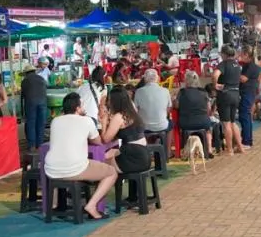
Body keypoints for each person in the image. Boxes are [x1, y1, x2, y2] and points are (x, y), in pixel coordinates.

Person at [44, 92, 116, 220]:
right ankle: (92, 205)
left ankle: (54, 205)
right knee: (111, 173)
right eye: (82, 105)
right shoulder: (86, 121)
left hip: (51, 169)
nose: (84, 108)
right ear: (77, 108)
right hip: (75, 168)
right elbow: (98, 141)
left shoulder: (55, 121)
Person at [212, 45, 244, 155]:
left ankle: (230, 150)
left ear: (224, 54)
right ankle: (240, 146)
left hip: (225, 95)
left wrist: (215, 84)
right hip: (236, 93)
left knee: (226, 124)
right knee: (233, 122)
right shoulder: (237, 65)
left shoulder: (223, 64)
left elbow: (215, 74)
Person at [176, 71, 214, 156]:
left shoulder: (182, 92)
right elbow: (208, 109)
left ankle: (184, 149)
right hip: (203, 122)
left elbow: (177, 106)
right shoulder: (204, 92)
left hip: (186, 123)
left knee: (180, 129)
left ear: (186, 80)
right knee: (208, 131)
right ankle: (209, 149)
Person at [133, 69, 171, 148]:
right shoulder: (165, 91)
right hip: (162, 125)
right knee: (171, 125)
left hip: (144, 126)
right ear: (157, 78)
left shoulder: (139, 91)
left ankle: (145, 149)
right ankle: (168, 152)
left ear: (145, 79)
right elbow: (168, 109)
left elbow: (135, 110)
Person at [238, 46, 261, 148]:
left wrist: (233, 73)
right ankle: (246, 140)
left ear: (246, 55)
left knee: (245, 117)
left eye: (241, 54)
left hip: (248, 93)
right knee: (246, 117)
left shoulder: (251, 67)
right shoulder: (247, 65)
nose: (239, 56)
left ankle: (246, 141)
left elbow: (243, 79)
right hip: (248, 93)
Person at [20, 65, 47, 150]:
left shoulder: (25, 80)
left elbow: (23, 95)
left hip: (30, 103)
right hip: (43, 102)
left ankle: (31, 145)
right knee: (40, 124)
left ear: (26, 73)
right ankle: (39, 145)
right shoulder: (41, 78)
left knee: (31, 123)